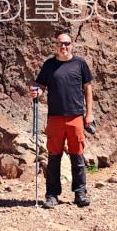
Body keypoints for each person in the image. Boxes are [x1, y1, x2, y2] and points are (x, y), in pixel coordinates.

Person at [31, 33, 94, 208]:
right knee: (54, 157)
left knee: (77, 156)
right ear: (55, 46)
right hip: (55, 118)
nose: (63, 47)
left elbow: (88, 89)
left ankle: (80, 193)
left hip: (76, 116)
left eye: (66, 43)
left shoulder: (80, 64)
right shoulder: (49, 65)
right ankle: (52, 195)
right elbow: (41, 86)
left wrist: (89, 114)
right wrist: (37, 93)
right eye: (60, 44)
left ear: (71, 44)